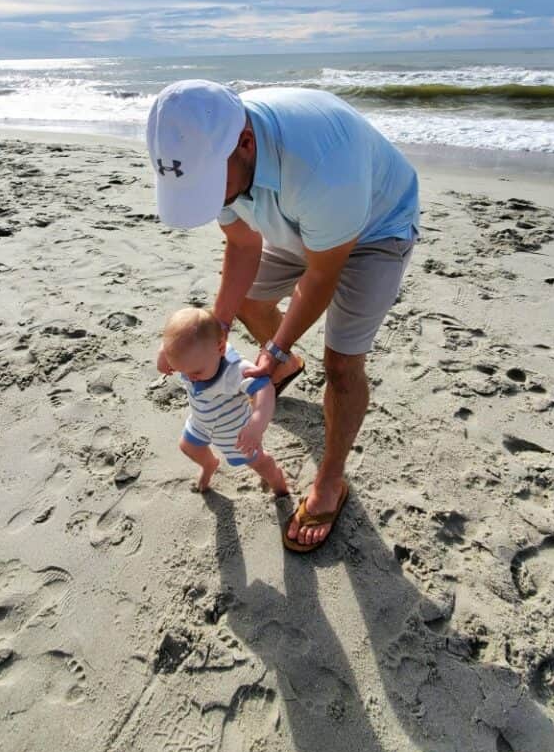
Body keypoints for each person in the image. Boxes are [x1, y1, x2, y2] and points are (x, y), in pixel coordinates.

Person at [148, 80, 419, 552]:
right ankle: (287, 370)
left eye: (211, 188)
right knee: (247, 303)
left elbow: (319, 279)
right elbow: (242, 244)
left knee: (341, 364)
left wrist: (274, 348)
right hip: (299, 218)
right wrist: (216, 331)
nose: (212, 201)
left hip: (375, 227)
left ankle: (331, 480)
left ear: (246, 145)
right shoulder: (213, 144)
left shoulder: (321, 168)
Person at [158, 306, 288, 496]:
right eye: (181, 371)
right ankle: (210, 464)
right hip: (201, 422)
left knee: (258, 462)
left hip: (235, 434)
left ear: (220, 348)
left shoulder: (235, 370)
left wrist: (256, 424)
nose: (189, 378)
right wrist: (164, 355)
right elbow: (171, 345)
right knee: (188, 446)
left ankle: (277, 481)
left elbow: (264, 388)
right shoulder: (192, 357)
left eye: (195, 373)